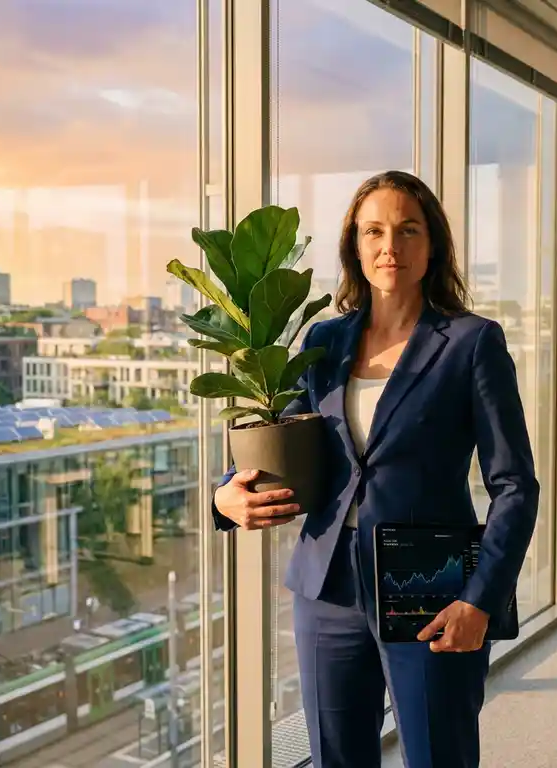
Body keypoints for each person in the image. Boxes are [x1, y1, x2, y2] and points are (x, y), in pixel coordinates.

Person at [212, 170, 539, 768]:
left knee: (439, 756)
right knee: (336, 759)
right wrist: (223, 499)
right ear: (355, 246)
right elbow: (273, 437)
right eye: (375, 231)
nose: (391, 245)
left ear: (432, 243)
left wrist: (481, 600)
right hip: (327, 585)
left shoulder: (472, 342)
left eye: (408, 230)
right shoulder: (326, 340)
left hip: (431, 590)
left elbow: (515, 486)